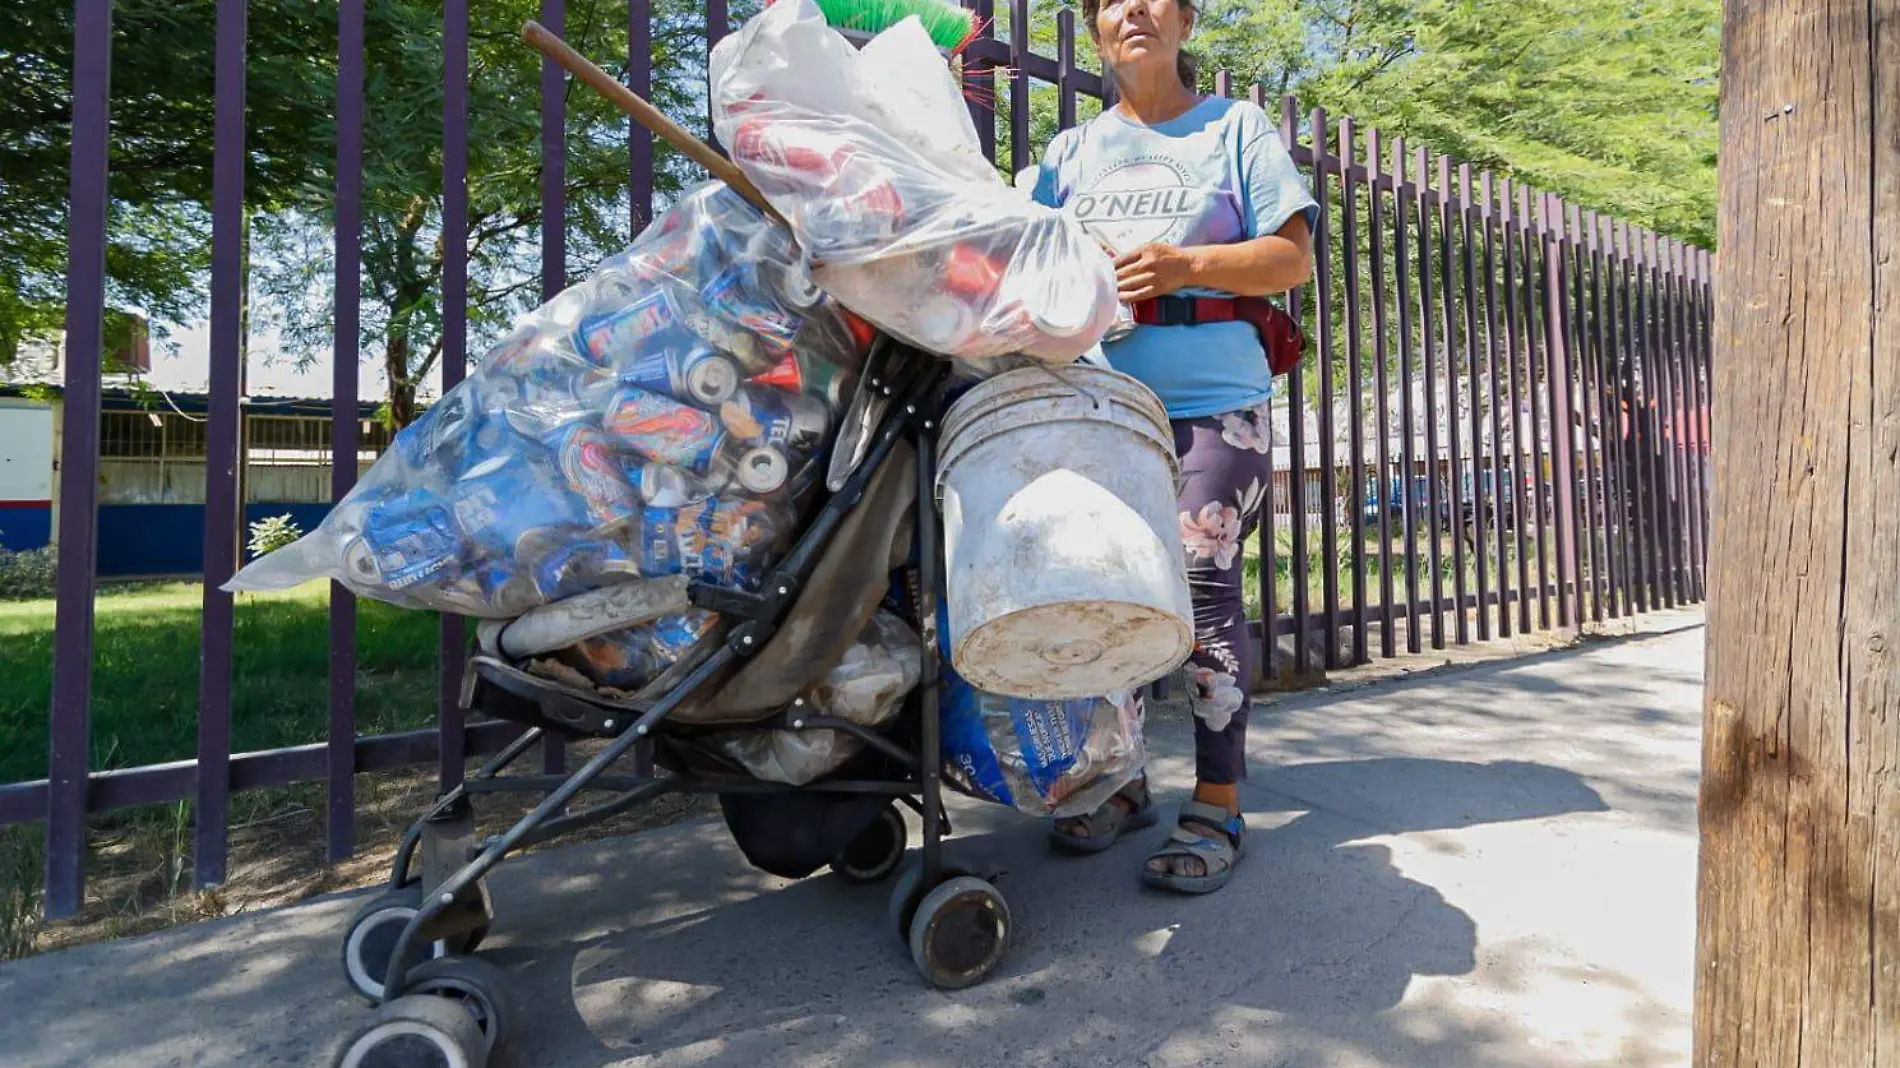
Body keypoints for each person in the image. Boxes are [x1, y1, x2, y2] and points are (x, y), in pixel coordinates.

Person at [1030, 0, 1317, 893]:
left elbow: (1291, 259)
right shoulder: (1067, 153)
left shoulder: (1235, 129)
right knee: (1104, 594)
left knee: (1197, 585)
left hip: (1215, 406)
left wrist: (1188, 265)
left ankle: (1220, 797)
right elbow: (1023, 261)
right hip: (1100, 406)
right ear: (1096, 27)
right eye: (1113, 0)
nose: (1135, 11)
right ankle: (1117, 783)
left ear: (1186, 21)